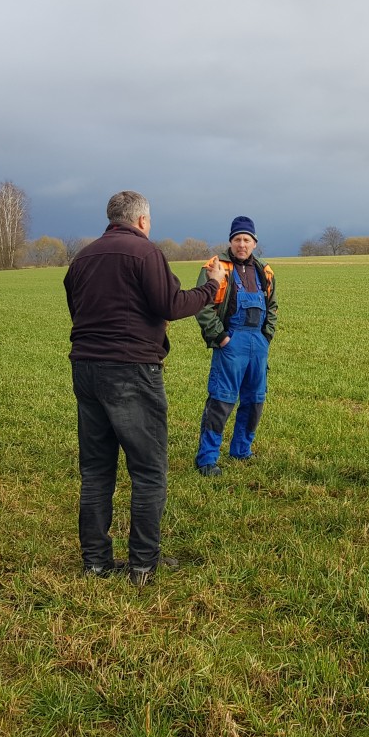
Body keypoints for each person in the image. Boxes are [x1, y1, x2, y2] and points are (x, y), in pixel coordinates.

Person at [64, 191, 226, 583]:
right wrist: (211, 286)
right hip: (131, 370)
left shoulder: (82, 258)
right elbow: (170, 305)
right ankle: (142, 564)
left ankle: (96, 562)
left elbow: (79, 307)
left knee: (97, 470)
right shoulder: (144, 252)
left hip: (85, 367)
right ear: (141, 221)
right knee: (149, 470)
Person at [193, 216, 277, 477]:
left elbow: (272, 306)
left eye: (247, 240)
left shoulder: (265, 272)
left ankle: (241, 450)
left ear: (254, 243)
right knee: (221, 400)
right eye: (238, 239)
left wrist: (267, 335)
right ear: (230, 241)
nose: (242, 244)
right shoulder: (216, 267)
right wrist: (220, 337)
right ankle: (207, 459)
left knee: (255, 400)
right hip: (231, 342)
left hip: (258, 343)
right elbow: (202, 305)